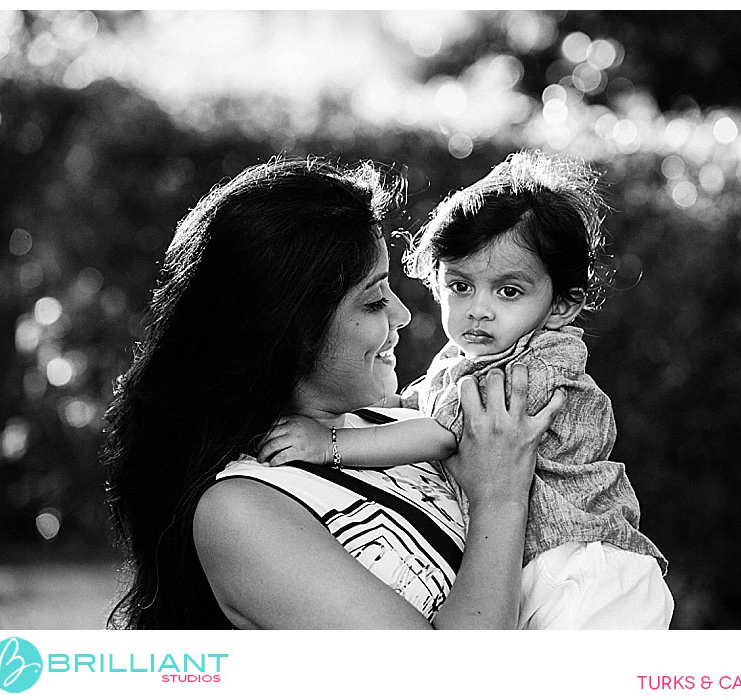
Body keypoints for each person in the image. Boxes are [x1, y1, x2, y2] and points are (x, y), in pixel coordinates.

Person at [102, 156, 564, 629]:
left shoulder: (404, 425)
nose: (403, 315)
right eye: (373, 299)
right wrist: (502, 498)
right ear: (291, 331)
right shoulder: (244, 510)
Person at [260, 151, 673, 629]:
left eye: (509, 292)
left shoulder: (531, 368)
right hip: (550, 569)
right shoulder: (469, 360)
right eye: (460, 286)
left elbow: (439, 434)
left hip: (585, 572)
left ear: (561, 306)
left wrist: (328, 444)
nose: (479, 309)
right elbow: (416, 409)